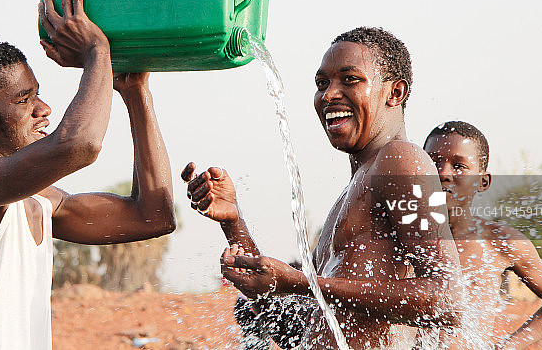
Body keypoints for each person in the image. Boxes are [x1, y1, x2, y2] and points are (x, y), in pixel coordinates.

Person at [0, 0, 176, 350]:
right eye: (25, 100)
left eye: (37, 94)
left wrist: (135, 92)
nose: (44, 110)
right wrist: (97, 51)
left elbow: (153, 217)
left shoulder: (41, 203)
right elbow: (80, 144)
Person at [184, 27, 462, 349]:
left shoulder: (401, 160)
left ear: (395, 93)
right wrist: (233, 222)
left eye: (350, 79)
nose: (329, 95)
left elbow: (448, 301)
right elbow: (288, 325)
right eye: (322, 83)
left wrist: (304, 282)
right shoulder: (352, 192)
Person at [423, 120, 542, 349]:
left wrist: (507, 347)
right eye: (433, 163)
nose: (443, 173)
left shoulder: (499, 242)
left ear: (483, 182)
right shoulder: (398, 237)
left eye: (459, 166)